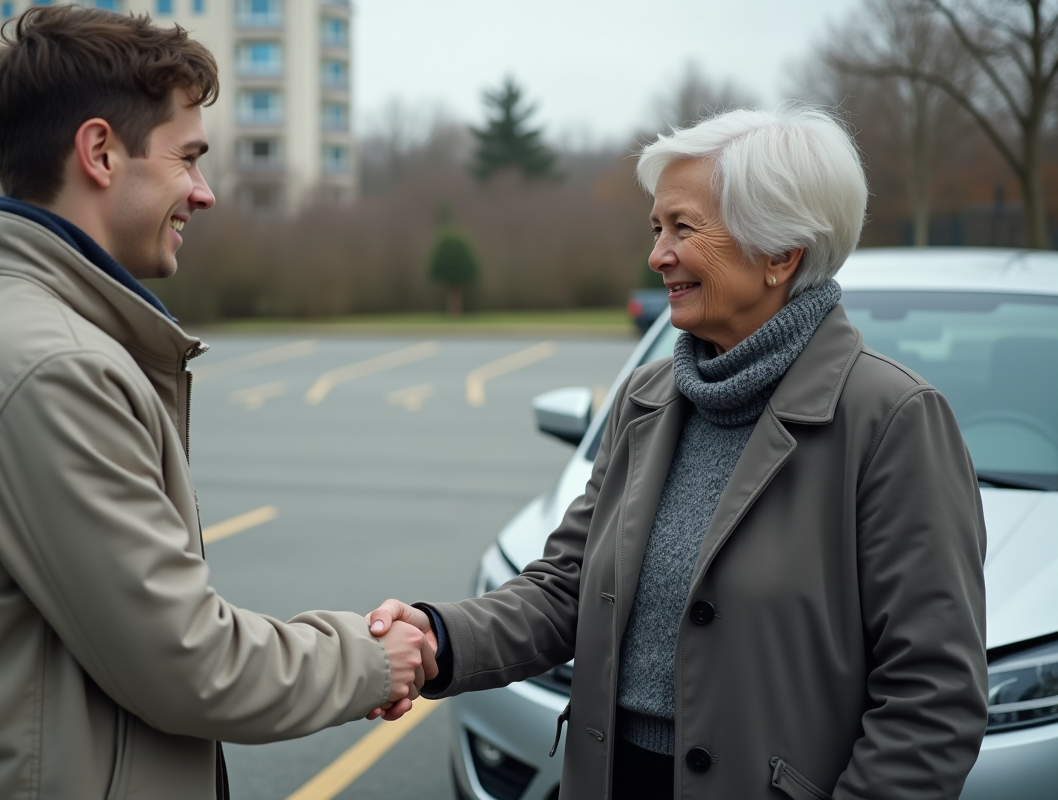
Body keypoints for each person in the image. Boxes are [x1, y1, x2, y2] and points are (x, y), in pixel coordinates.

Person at [0, 7, 434, 799]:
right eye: (188, 159)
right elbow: (190, 663)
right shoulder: (50, 369)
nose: (203, 194)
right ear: (100, 151)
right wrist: (377, 657)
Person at [368, 106, 988, 799]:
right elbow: (566, 588)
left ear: (781, 253)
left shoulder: (892, 420)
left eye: (683, 228)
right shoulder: (648, 397)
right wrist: (437, 638)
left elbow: (932, 698)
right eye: (656, 228)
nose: (658, 254)